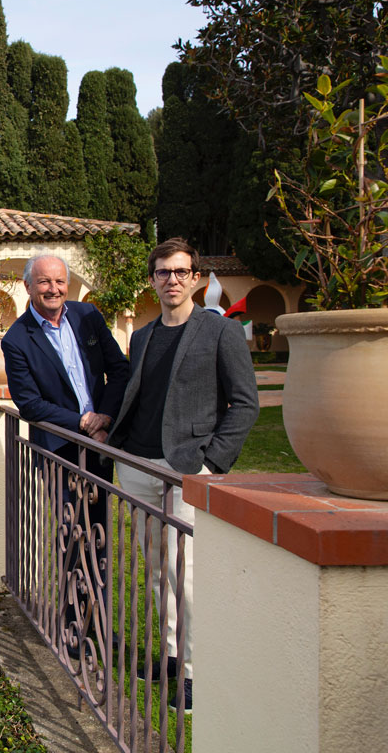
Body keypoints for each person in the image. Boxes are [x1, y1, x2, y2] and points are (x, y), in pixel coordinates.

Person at [107, 237, 259, 711]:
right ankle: (172, 655)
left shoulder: (220, 332)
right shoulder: (145, 335)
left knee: (186, 573)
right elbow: (139, 398)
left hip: (187, 469)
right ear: (152, 280)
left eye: (180, 271)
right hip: (137, 465)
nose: (171, 280)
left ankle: (194, 671)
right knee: (154, 571)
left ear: (194, 277)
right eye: (162, 272)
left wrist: (212, 463)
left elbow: (245, 404)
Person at [2, 253, 130, 656]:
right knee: (75, 539)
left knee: (101, 538)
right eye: (44, 282)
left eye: (60, 281)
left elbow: (119, 369)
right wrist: (82, 421)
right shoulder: (17, 339)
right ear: (28, 287)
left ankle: (101, 626)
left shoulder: (88, 316)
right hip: (61, 452)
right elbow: (30, 404)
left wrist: (104, 418)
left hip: (100, 445)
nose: (54, 289)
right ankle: (78, 631)